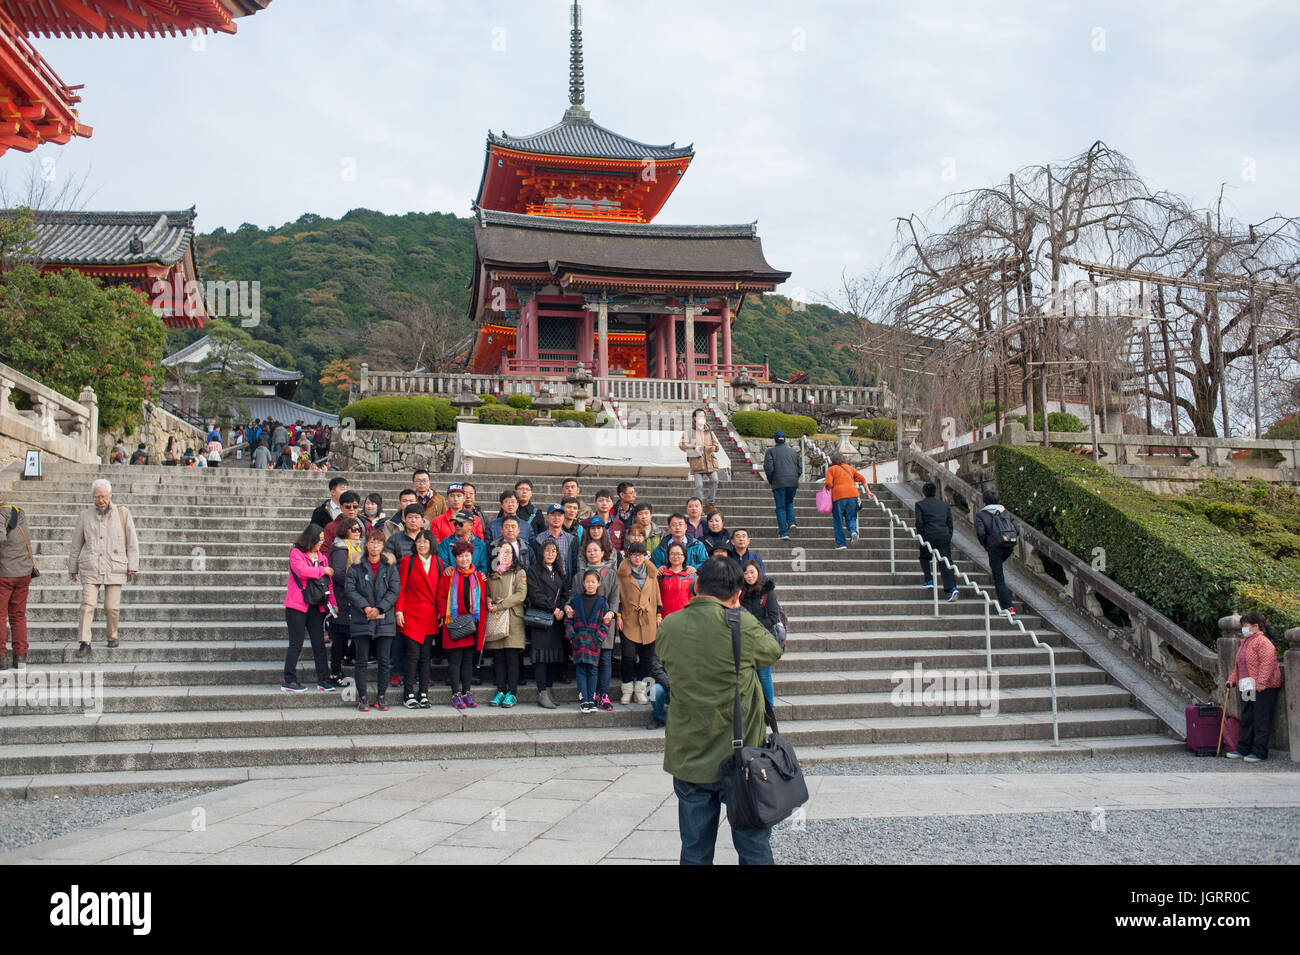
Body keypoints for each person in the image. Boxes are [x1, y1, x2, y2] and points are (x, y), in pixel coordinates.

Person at [656, 557, 782, 865]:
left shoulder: (670, 625)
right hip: (741, 756)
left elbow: (663, 659)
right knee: (753, 847)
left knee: (695, 849)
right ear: (738, 593)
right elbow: (773, 650)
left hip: (689, 753)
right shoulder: (741, 624)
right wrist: (738, 612)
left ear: (695, 586)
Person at [68, 479, 139, 658]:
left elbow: (132, 542)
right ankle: (84, 642)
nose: (100, 500)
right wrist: (72, 566)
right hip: (90, 565)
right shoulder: (85, 516)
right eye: (96, 497)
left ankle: (112, 635)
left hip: (115, 566)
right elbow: (76, 544)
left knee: (111, 607)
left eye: (103, 496)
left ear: (110, 495)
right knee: (87, 605)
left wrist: (132, 565)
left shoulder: (123, 513)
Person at [345, 529, 400, 711]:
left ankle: (381, 697)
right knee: (361, 660)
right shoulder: (356, 566)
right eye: (372, 542)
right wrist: (366, 607)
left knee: (384, 660)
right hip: (362, 618)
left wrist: (380, 608)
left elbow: (394, 590)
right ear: (366, 544)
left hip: (385, 619)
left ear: (383, 546)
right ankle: (362, 698)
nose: (375, 546)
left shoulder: (390, 566)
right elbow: (350, 589)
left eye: (378, 543)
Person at [282, 523, 340, 693]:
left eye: (323, 540)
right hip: (297, 606)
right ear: (311, 539)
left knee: (319, 643)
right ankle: (289, 679)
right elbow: (302, 571)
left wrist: (333, 603)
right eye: (319, 540)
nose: (321, 543)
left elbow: (327, 584)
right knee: (296, 643)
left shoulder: (322, 557)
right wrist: (323, 570)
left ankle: (324, 679)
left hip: (317, 605)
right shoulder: (296, 553)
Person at [1224, 611, 1283, 762]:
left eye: (1246, 626)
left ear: (1255, 626)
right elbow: (1239, 665)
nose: (1244, 629)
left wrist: (1262, 681)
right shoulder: (1246, 642)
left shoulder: (1263, 642)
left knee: (1261, 718)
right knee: (1248, 716)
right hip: (1248, 685)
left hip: (1264, 686)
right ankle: (1244, 748)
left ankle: (1259, 751)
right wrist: (1232, 679)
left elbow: (1267, 662)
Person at [437, 538, 488, 709]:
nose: (464, 559)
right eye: (460, 556)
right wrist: (450, 616)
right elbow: (441, 598)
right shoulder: (448, 576)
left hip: (472, 625)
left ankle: (467, 693)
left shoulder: (479, 577)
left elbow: (481, 602)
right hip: (455, 625)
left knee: (468, 662)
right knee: (455, 661)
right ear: (455, 558)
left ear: (471, 556)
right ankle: (455, 694)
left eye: (467, 556)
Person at [395, 530, 441, 709]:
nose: (421, 545)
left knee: (425, 656)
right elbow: (401, 588)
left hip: (430, 614)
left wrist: (440, 612)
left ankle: (423, 693)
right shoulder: (408, 561)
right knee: (412, 656)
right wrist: (399, 611)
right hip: (411, 614)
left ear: (431, 544)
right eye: (419, 542)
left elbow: (439, 590)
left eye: (425, 542)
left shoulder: (438, 562)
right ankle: (408, 694)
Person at [575, 537, 619, 710]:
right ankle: (589, 694)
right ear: (585, 554)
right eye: (589, 551)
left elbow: (615, 596)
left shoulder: (611, 574)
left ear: (602, 553)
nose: (592, 553)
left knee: (605, 659)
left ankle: (604, 694)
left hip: (605, 623)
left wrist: (612, 612)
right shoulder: (580, 575)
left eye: (596, 550)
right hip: (586, 626)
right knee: (589, 662)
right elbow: (575, 598)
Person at [525, 538, 569, 709]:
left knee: (553, 657)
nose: (550, 554)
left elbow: (565, 593)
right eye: (547, 551)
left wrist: (562, 608)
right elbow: (535, 595)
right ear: (541, 552)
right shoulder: (533, 571)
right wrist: (553, 608)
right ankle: (542, 692)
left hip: (557, 620)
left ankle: (549, 690)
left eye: (554, 551)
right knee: (541, 658)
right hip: (541, 619)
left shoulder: (559, 573)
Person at [484, 543, 528, 708]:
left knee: (512, 658)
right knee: (499, 658)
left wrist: (500, 605)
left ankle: (512, 692)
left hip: (513, 619)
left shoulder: (519, 572)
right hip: (496, 619)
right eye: (502, 552)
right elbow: (488, 594)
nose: (505, 555)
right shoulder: (492, 575)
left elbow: (520, 594)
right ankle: (501, 690)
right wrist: (489, 603)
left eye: (509, 552)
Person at [739, 559, 784, 708]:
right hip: (744, 640)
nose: (749, 576)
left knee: (764, 676)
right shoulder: (739, 591)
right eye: (745, 573)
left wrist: (753, 626)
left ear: (758, 572)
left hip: (763, 640)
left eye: (752, 572)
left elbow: (773, 617)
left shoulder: (767, 590)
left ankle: (769, 711)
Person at [565, 569, 611, 713]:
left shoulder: (602, 602)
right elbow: (568, 620)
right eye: (587, 582)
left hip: (594, 642)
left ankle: (591, 699)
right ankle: (583, 699)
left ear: (598, 584)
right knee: (580, 670)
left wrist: (599, 638)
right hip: (579, 640)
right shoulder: (575, 600)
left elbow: (606, 624)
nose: (590, 584)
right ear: (583, 583)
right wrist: (572, 636)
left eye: (593, 582)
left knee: (593, 670)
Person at [0, 502, 35, 670]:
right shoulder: (18, 513)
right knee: (18, 615)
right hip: (23, 573)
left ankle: (1, 658)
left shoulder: (1, 515)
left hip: (5, 575)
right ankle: (20, 657)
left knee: (0, 615)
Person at [328, 517, 364, 681]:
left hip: (353, 597)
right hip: (343, 597)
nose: (358, 532)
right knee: (340, 637)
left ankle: (347, 659)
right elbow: (339, 573)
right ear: (345, 531)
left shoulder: (357, 546)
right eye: (354, 529)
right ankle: (335, 671)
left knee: (356, 633)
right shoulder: (341, 547)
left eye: (359, 529)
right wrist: (354, 586)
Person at [974, 489, 1016, 615]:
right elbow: (1016, 528)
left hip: (994, 547)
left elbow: (981, 532)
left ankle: (1008, 607)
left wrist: (985, 544)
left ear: (984, 501)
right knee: (999, 572)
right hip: (1008, 545)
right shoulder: (1006, 512)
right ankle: (1007, 604)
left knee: (998, 576)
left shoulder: (981, 515)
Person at [915, 482, 959, 602]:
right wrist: (948, 535)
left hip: (928, 535)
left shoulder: (920, 505)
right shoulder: (944, 505)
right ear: (935, 492)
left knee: (924, 557)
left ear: (923, 493)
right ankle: (952, 588)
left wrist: (922, 535)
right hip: (944, 535)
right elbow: (950, 522)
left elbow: (919, 522)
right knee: (946, 561)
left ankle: (929, 579)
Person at [823, 453, 872, 551]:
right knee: (851, 517)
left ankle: (841, 544)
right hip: (853, 495)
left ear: (833, 461)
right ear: (843, 459)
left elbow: (828, 483)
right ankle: (853, 532)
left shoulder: (831, 469)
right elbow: (862, 479)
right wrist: (868, 492)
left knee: (838, 520)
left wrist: (828, 489)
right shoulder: (850, 468)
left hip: (839, 496)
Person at [763, 429, 802, 539]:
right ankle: (792, 521)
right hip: (793, 482)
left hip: (779, 482)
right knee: (789, 502)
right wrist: (794, 478)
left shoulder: (770, 452)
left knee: (780, 507)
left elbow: (769, 468)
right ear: (785, 440)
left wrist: (772, 480)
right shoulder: (793, 452)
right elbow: (800, 469)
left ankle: (784, 532)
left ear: (775, 440)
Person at [680, 408, 722, 504]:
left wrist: (714, 448)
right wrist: (694, 447)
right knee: (698, 485)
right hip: (697, 462)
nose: (702, 418)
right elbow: (682, 445)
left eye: (703, 416)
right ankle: (698, 504)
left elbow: (716, 445)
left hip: (710, 461)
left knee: (715, 480)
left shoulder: (709, 430)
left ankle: (710, 502)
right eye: (700, 416)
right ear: (694, 418)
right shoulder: (689, 432)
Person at [533, 503, 579, 586]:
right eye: (553, 515)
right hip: (544, 583)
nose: (556, 518)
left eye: (560, 515)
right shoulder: (538, 539)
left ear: (564, 517)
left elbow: (574, 565)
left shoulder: (571, 539)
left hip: (565, 582)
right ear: (547, 517)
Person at [658, 542, 697, 619]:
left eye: (679, 554)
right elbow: (656, 597)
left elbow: (696, 598)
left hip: (686, 618)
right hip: (665, 618)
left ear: (684, 556)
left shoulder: (692, 575)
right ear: (668, 556)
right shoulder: (661, 574)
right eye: (672, 554)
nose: (675, 557)